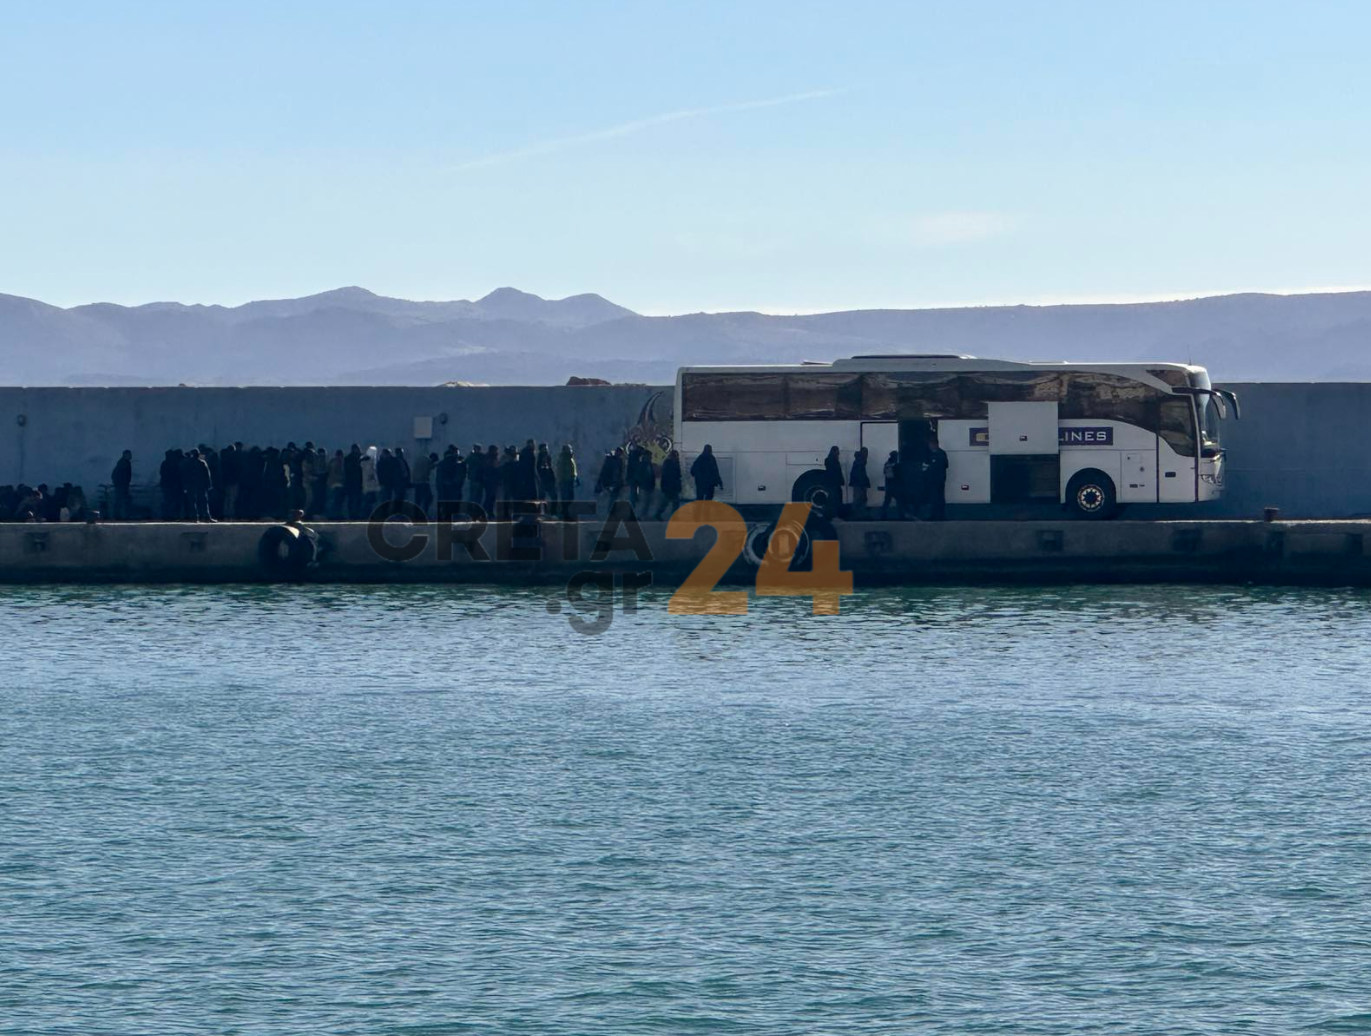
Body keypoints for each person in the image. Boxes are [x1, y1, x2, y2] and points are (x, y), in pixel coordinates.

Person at [922, 431, 948, 521]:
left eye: (930, 444)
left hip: (938, 480)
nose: (929, 446)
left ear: (934, 444)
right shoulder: (931, 454)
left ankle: (940, 515)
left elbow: (943, 465)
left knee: (939, 497)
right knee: (933, 497)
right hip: (932, 480)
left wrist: (931, 466)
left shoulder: (941, 454)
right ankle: (934, 514)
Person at [183, 448, 214, 522]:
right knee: (203, 501)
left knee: (192, 502)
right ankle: (206, 517)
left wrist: (185, 486)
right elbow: (207, 475)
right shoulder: (202, 463)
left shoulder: (188, 464)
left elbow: (185, 476)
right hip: (201, 485)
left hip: (192, 485)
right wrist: (209, 484)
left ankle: (195, 517)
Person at [594, 448, 625, 512]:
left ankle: (610, 510)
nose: (619, 454)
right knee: (612, 497)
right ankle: (609, 510)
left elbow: (620, 472)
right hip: (610, 482)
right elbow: (605, 471)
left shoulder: (619, 461)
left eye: (620, 453)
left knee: (614, 497)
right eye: (618, 452)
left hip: (614, 483)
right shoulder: (611, 460)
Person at [656, 449, 682, 519]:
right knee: (668, 501)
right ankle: (659, 514)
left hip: (672, 486)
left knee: (671, 502)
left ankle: (660, 514)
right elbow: (667, 475)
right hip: (670, 485)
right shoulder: (669, 463)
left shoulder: (672, 463)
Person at [219, 443, 242, 519]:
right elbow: (237, 471)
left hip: (226, 481)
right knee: (233, 499)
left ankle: (226, 513)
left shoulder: (224, 459)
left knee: (227, 498)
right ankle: (231, 514)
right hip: (234, 481)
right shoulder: (235, 459)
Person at [555, 444, 578, 518]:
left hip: (570, 481)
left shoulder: (571, 458)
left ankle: (566, 513)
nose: (570, 450)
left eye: (570, 449)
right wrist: (560, 481)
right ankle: (564, 514)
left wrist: (576, 477)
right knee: (565, 498)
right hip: (565, 481)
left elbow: (573, 469)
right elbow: (560, 471)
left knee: (570, 498)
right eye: (568, 449)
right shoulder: (563, 458)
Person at [159, 449, 182, 520]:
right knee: (171, 500)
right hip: (172, 485)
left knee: (167, 500)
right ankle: (171, 515)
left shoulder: (165, 463)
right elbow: (178, 474)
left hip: (167, 484)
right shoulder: (174, 463)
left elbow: (162, 473)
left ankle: (167, 515)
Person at [849, 447, 871, 519]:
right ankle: (857, 514)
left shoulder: (858, 461)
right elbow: (859, 474)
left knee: (859, 499)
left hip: (859, 483)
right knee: (859, 499)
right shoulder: (860, 462)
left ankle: (857, 514)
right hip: (860, 484)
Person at [111, 450, 133, 520]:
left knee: (120, 500)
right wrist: (122, 482)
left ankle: (119, 515)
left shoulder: (122, 462)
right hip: (122, 485)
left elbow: (114, 474)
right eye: (129, 454)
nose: (130, 456)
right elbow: (119, 474)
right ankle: (120, 515)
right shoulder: (124, 463)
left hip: (122, 484)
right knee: (121, 500)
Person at [878, 450, 901, 520]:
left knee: (887, 501)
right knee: (899, 500)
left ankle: (883, 515)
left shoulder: (888, 464)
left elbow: (886, 473)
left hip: (889, 486)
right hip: (893, 486)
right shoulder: (893, 465)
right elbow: (893, 476)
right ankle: (901, 515)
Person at [344, 444, 363, 519]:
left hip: (358, 482)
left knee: (358, 499)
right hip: (352, 482)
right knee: (352, 499)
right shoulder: (349, 459)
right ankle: (352, 514)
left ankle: (356, 514)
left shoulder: (350, 458)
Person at [536, 443, 557, 511]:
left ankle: (553, 511)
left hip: (549, 480)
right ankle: (540, 511)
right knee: (542, 497)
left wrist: (553, 478)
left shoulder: (548, 457)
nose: (546, 449)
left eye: (546, 448)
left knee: (554, 497)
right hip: (543, 480)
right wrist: (540, 478)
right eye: (544, 448)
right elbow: (537, 469)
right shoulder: (539, 458)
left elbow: (550, 468)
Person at [326, 449, 346, 519]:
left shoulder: (333, 462)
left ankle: (334, 515)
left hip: (333, 484)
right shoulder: (337, 463)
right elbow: (335, 474)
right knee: (336, 501)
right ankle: (334, 515)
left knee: (335, 501)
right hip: (336, 484)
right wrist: (342, 478)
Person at [824, 445, 845, 512]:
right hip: (835, 482)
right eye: (837, 451)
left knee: (833, 497)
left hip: (831, 482)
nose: (838, 453)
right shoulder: (835, 461)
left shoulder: (828, 460)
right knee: (836, 497)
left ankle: (832, 511)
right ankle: (834, 511)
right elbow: (837, 472)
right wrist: (841, 480)